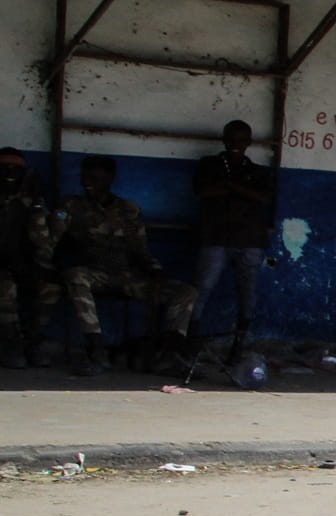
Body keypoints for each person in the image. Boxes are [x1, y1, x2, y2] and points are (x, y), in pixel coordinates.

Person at [59, 155, 197, 376]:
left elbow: (140, 249)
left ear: (109, 178)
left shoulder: (128, 209)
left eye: (94, 177)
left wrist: (154, 269)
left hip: (128, 276)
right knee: (75, 277)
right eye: (84, 176)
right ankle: (96, 349)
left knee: (185, 292)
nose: (87, 182)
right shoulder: (70, 206)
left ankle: (169, 354)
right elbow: (54, 238)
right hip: (94, 273)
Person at [191, 120, 274, 359]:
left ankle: (239, 345)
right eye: (231, 139)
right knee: (201, 290)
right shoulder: (209, 164)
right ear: (224, 140)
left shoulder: (257, 171)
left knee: (248, 294)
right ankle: (190, 343)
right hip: (217, 237)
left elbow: (265, 198)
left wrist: (228, 186)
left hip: (249, 240)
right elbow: (202, 191)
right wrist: (242, 190)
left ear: (248, 142)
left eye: (241, 140)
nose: (236, 144)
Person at [0, 147, 60, 369]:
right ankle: (11, 344)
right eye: (4, 168)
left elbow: (41, 240)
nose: (10, 174)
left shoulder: (29, 200)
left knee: (50, 285)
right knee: (5, 286)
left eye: (16, 170)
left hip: (18, 263)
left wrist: (34, 203)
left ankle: (32, 340)